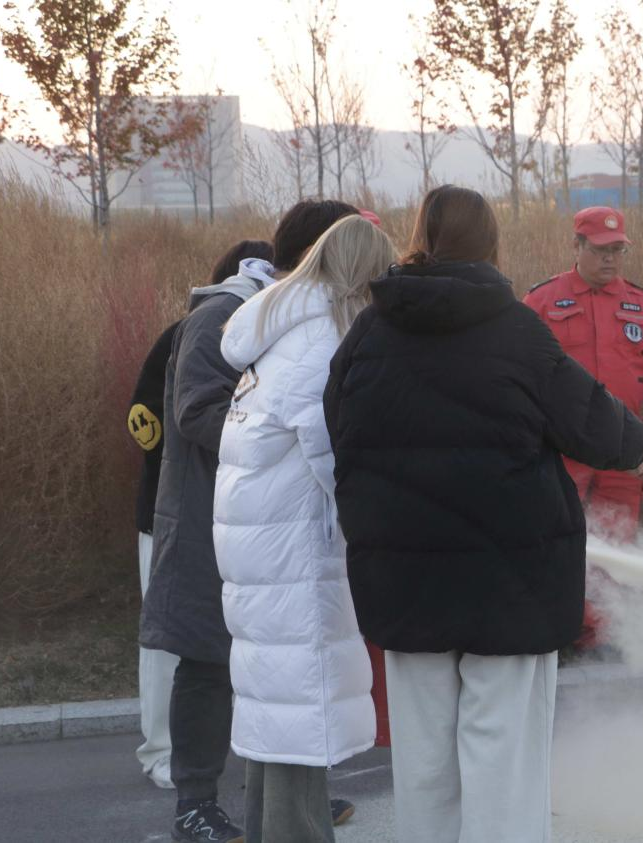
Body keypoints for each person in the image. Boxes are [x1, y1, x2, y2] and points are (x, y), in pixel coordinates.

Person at [325, 185, 643, 843]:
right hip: (512, 586)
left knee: (423, 762)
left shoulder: (370, 330)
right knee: (503, 759)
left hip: (404, 582)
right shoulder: (516, 330)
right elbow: (593, 424)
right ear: (490, 244)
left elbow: (338, 421)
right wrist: (634, 447)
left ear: (421, 239)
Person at [140, 199, 360, 843]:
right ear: (317, 253)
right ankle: (194, 802)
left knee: (278, 667)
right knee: (208, 661)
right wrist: (276, 440)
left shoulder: (292, 313)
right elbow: (196, 411)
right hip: (211, 520)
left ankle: (288, 795)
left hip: (269, 524)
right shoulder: (222, 315)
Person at [214, 215, 396, 843]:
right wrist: (378, 523)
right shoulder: (321, 339)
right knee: (300, 710)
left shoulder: (275, 326)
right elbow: (332, 454)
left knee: (275, 707)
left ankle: (271, 830)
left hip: (259, 545)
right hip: (293, 552)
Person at [523, 206, 643, 645]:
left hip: (622, 453)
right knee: (558, 541)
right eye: (602, 250)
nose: (611, 259)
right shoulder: (542, 302)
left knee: (615, 547)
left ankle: (598, 639)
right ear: (577, 246)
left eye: (618, 250)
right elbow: (518, 371)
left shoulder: (640, 305)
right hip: (562, 452)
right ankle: (560, 634)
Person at [127, 240, 272, 791]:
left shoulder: (259, 336)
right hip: (170, 513)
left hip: (227, 514)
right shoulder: (187, 333)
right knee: (172, 648)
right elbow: (144, 418)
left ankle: (231, 761)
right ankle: (160, 751)